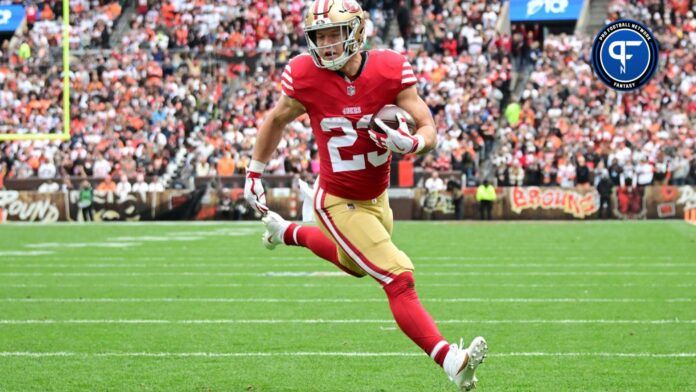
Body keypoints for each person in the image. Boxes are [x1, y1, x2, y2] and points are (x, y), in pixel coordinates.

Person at [243, 2, 487, 390]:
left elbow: (428, 126)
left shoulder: (389, 68)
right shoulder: (305, 75)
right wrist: (254, 171)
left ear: (356, 31)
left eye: (332, 33)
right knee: (398, 276)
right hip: (336, 199)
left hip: (377, 196)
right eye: (318, 36)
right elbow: (277, 118)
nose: (323, 44)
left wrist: (412, 144)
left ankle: (284, 231)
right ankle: (450, 360)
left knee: (354, 264)